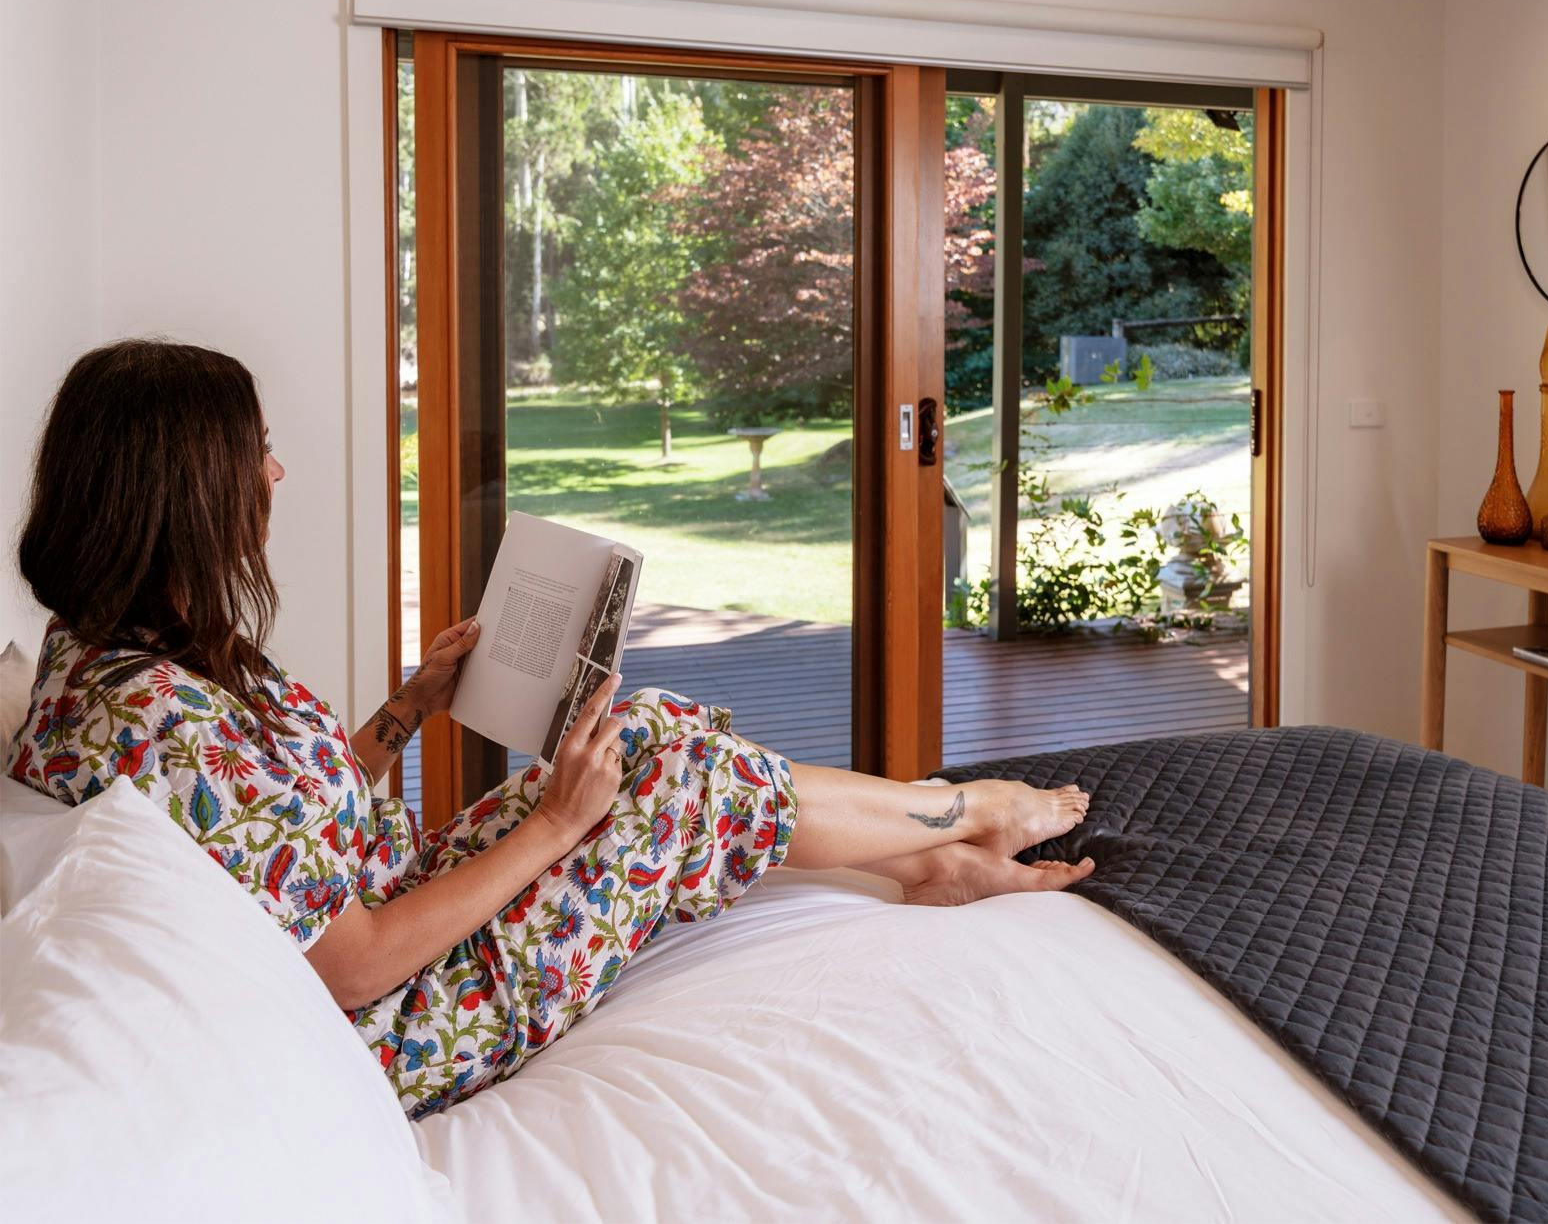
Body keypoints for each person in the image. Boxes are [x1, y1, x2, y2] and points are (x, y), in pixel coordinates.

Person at [7, 339, 1094, 1119]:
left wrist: (411, 706)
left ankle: (923, 859)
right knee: (669, 779)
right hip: (407, 1016)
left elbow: (272, 831)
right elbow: (349, 967)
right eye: (256, 452)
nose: (275, 472)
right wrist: (549, 829)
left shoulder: (116, 653)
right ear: (183, 490)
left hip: (399, 894)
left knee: (652, 729)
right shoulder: (150, 716)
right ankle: (965, 812)